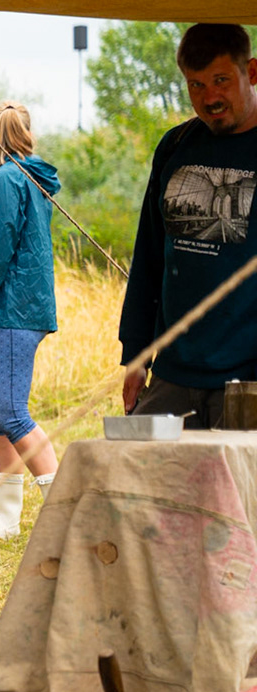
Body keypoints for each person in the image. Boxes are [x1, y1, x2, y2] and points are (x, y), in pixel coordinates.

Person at [120, 23, 257, 428]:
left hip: (248, 381)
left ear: (251, 72)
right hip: (173, 373)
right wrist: (136, 354)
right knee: (137, 468)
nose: (209, 97)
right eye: (196, 85)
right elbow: (148, 255)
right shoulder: (175, 145)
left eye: (221, 80)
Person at [0, 101, 60, 538]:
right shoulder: (30, 177)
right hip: (18, 308)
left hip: (13, 309)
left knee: (10, 411)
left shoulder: (7, 179)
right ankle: (5, 521)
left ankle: (67, 511)